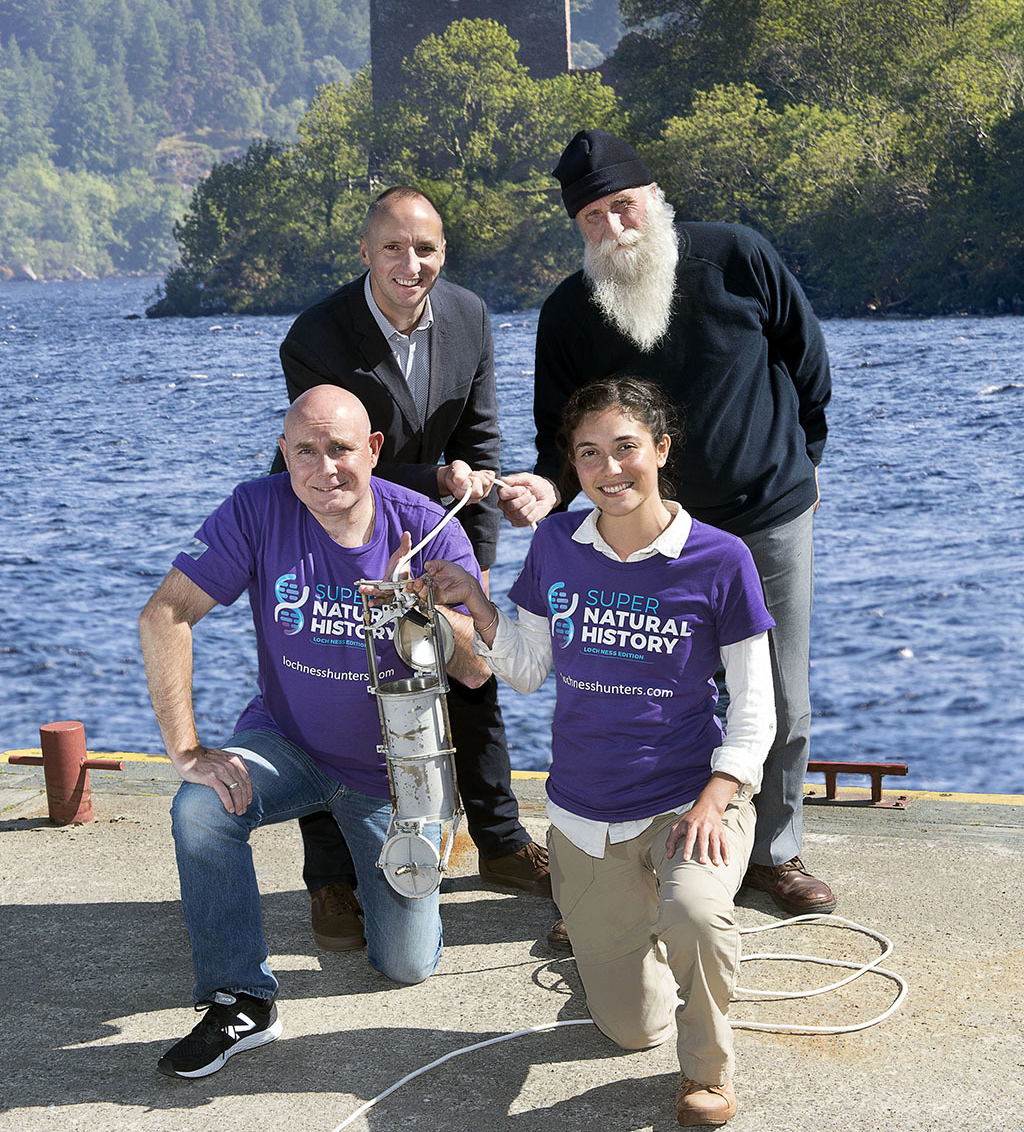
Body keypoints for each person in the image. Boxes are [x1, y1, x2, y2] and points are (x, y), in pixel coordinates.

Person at [419, 377, 776, 1127]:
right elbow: (523, 667)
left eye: (626, 448)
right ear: (572, 467)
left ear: (661, 450)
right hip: (583, 818)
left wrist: (718, 796)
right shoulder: (555, 542)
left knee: (699, 913)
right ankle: (626, 933)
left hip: (688, 803)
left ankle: (707, 1068)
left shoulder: (720, 558)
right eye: (589, 454)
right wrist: (474, 604)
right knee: (630, 1029)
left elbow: (756, 711)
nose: (610, 469)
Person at [497, 129, 835, 917]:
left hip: (765, 515)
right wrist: (550, 491)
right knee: (652, 698)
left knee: (779, 694)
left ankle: (772, 855)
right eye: (592, 219)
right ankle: (653, 862)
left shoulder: (738, 257)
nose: (614, 230)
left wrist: (806, 460)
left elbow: (807, 359)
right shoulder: (569, 312)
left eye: (623, 208)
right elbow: (559, 433)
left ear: (654, 201)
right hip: (646, 539)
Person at [138, 386, 488, 1079]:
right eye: (305, 450)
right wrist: (187, 750)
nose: (324, 467)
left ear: (374, 450)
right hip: (287, 742)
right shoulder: (258, 507)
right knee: (201, 807)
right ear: (284, 454)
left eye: (341, 449)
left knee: (406, 965)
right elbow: (164, 615)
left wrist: (425, 617)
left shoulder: (427, 526)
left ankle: (424, 845)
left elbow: (477, 670)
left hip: (393, 769)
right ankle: (241, 996)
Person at [274, 186, 551, 951]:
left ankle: (498, 840)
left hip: (449, 523)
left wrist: (479, 563)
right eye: (392, 247)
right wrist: (437, 479)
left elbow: (485, 444)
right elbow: (339, 458)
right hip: (335, 524)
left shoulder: (471, 316)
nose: (410, 263)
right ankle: (330, 877)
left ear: (443, 254)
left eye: (425, 248)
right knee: (337, 691)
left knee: (472, 669)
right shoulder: (315, 335)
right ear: (365, 252)